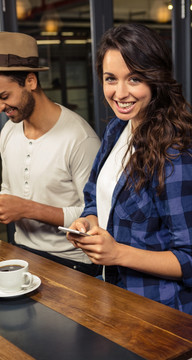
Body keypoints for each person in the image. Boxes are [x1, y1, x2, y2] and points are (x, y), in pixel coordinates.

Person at [67, 23, 192, 314]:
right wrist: (88, 223)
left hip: (161, 311)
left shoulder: (176, 151)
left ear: (156, 79)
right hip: (115, 296)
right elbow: (95, 198)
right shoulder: (116, 129)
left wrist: (117, 253)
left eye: (134, 79)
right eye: (111, 79)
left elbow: (188, 258)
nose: (120, 93)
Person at [0, 31, 101, 276]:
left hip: (73, 264)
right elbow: (11, 189)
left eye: (4, 96)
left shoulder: (80, 139)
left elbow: (94, 214)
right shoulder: (9, 131)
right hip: (21, 255)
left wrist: (25, 208)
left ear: (30, 81)